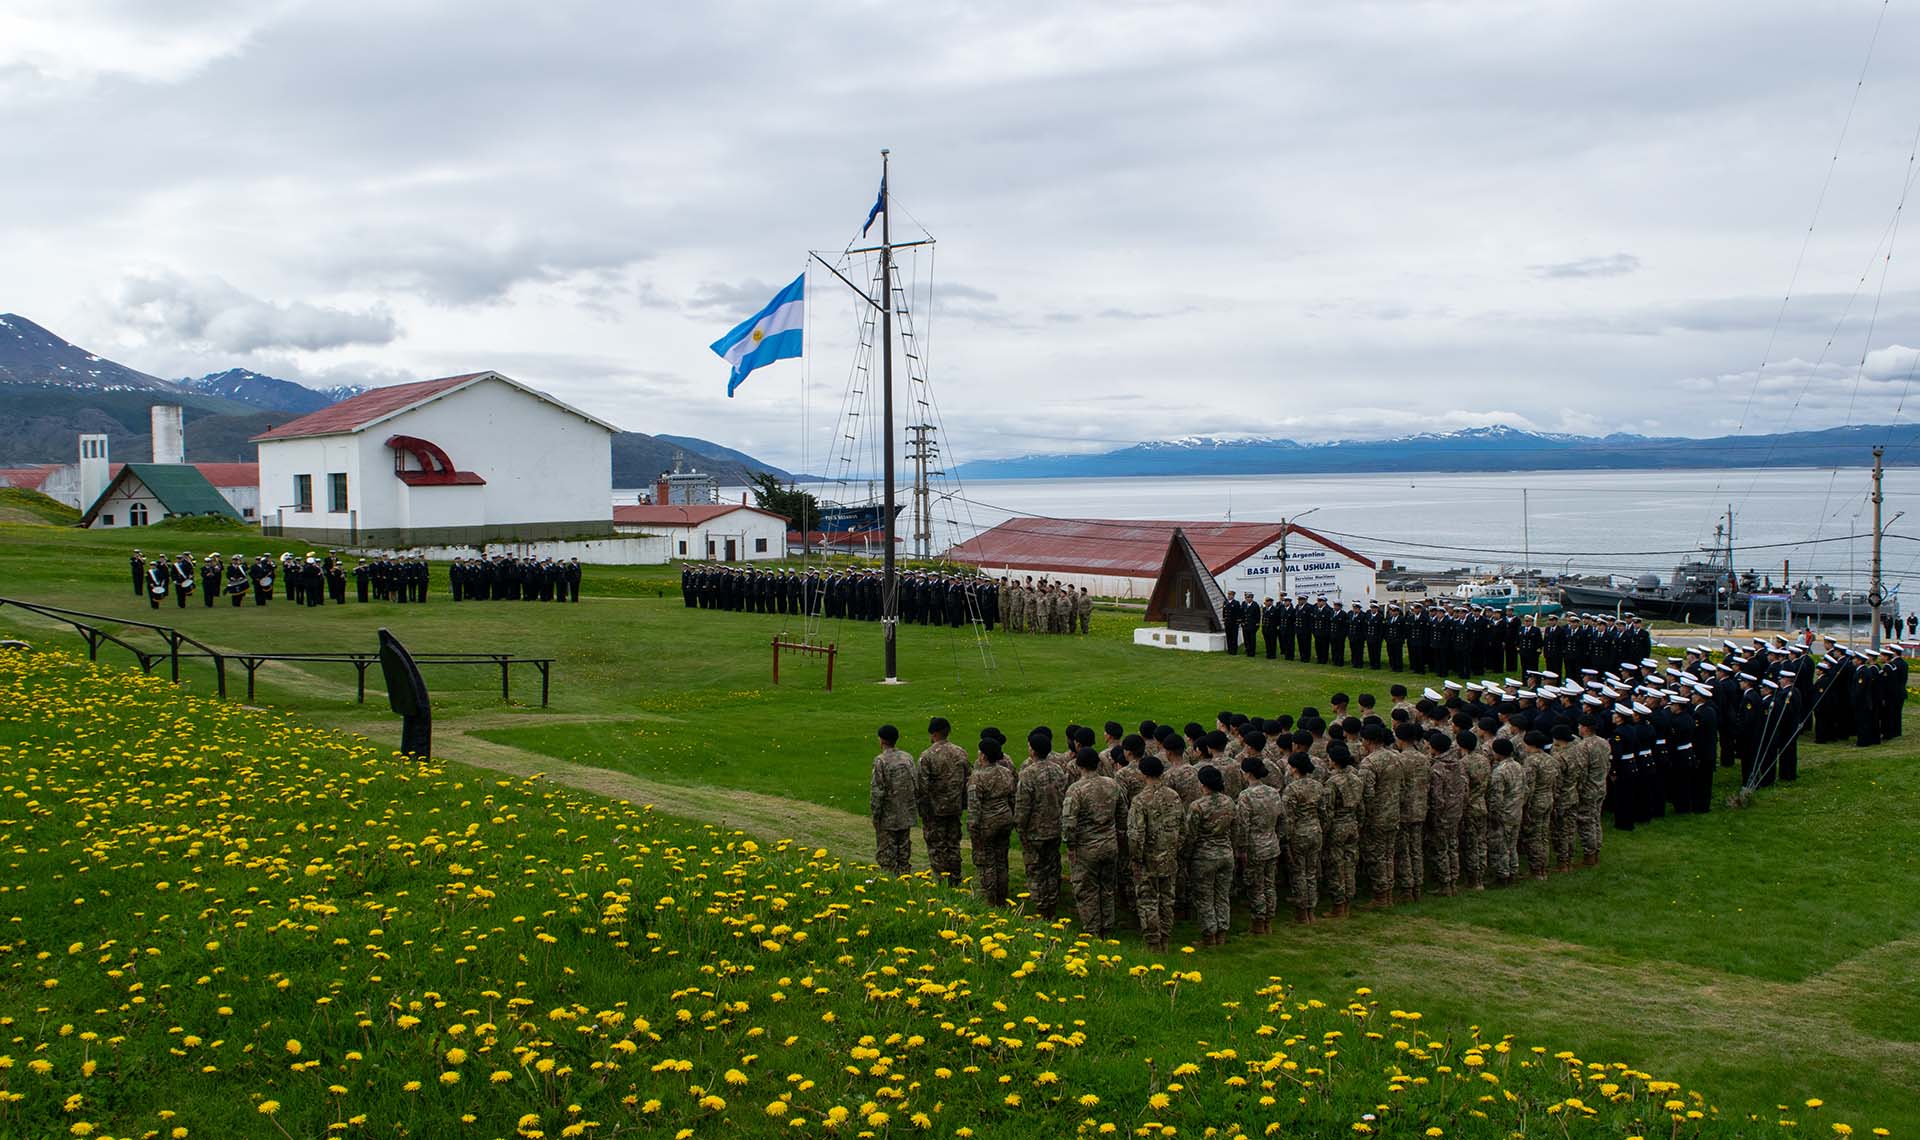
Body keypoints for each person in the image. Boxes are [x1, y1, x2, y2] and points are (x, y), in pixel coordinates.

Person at [1060, 748, 1124, 935]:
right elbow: (1122, 815)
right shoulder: (1112, 784)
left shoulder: (1076, 790)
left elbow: (1068, 823)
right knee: (1107, 888)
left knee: (1087, 890)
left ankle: (1092, 930)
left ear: (1079, 765)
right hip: (1110, 844)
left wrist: (1070, 846)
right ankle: (1107, 927)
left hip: (1086, 848)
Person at [1127, 755, 1183, 953]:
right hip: (1169, 856)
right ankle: (1165, 939)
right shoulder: (1174, 796)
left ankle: (1153, 943)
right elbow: (1181, 826)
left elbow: (1136, 834)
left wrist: (1135, 858)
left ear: (1143, 774)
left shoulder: (1140, 800)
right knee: (1167, 899)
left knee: (1148, 901)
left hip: (1148, 860)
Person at [1014, 730, 1068, 919]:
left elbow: (1023, 806)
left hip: (1035, 831)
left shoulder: (1028, 774)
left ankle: (1041, 907)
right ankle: (1052, 904)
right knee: (1052, 867)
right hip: (1055, 828)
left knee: (1036, 870)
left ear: (1033, 751)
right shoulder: (1058, 769)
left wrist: (1020, 828)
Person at [1183, 764, 1237, 946]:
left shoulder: (1197, 806)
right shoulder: (1229, 802)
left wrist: (1186, 857)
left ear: (1202, 784)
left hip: (1204, 856)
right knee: (1222, 895)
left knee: (1204, 897)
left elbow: (1191, 835)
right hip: (1226, 853)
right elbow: (1236, 828)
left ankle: (1208, 936)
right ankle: (1222, 933)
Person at [915, 717, 971, 888]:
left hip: (935, 810)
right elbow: (968, 780)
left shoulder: (927, 756)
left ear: (934, 733)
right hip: (954, 808)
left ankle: (941, 882)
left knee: (937, 847)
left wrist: (922, 809)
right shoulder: (961, 752)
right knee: (953, 844)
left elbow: (922, 787)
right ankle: (955, 879)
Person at [1231, 756, 1284, 934]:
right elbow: (1281, 817)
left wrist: (1241, 848)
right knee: (1269, 884)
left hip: (1255, 846)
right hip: (1272, 843)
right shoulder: (1273, 792)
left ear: (1248, 774)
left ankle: (1258, 923)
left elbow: (1243, 824)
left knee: (1256, 886)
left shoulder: (1245, 795)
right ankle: (1268, 920)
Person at [967, 736, 1017, 906]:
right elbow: (1012, 798)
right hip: (1005, 819)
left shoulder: (978, 777)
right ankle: (1002, 898)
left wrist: (973, 827)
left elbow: (974, 806)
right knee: (1001, 860)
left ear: (983, 756)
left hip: (987, 823)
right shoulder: (1006, 772)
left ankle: (989, 900)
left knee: (986, 861)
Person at [1357, 723, 1401, 908]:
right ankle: (1388, 893)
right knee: (1388, 855)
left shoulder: (1370, 762)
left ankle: (1380, 896)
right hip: (1393, 812)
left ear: (1368, 741)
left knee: (1376, 857)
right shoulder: (1396, 757)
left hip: (1377, 816)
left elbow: (1365, 794)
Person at [1279, 752, 1324, 923]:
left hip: (1299, 834)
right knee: (1311, 873)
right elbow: (1323, 812)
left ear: (1295, 768)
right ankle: (1311, 909)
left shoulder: (1291, 790)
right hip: (1315, 831)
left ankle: (1302, 911)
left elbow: (1288, 818)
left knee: (1299, 873)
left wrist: (1286, 838)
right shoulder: (1318, 786)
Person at [1321, 742, 1364, 917]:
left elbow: (1328, 810)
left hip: (1337, 826)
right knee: (1350, 864)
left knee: (1336, 866)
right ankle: (1348, 900)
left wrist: (1325, 829)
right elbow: (1361, 806)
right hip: (1353, 823)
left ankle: (1338, 905)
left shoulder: (1332, 782)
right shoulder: (1356, 777)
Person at [869, 725, 917, 875]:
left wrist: (875, 815)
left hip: (888, 817)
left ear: (881, 740)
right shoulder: (907, 757)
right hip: (906, 814)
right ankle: (905, 882)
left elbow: (877, 791)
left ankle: (890, 886)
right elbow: (915, 783)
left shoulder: (880, 761)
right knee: (903, 856)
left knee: (886, 858)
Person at [1427, 730, 1466, 896]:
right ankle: (1454, 881)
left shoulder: (1437, 769)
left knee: (1441, 849)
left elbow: (1437, 797)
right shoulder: (1458, 764)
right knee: (1452, 846)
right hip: (1456, 811)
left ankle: (1445, 884)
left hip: (1442, 814)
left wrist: (1434, 816)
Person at [1518, 730, 1557, 881]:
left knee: (1534, 836)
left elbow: (1529, 786)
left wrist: (1524, 804)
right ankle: (1543, 867)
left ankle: (1536, 870)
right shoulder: (1550, 759)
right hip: (1548, 798)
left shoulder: (1531, 761)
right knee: (1543, 835)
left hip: (1536, 801)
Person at [1487, 737, 1524, 887]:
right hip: (1516, 810)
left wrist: (1493, 815)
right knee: (1512, 845)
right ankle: (1513, 871)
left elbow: (1496, 797)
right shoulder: (1519, 766)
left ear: (1497, 753)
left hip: (1503, 814)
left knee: (1500, 847)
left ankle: (1502, 876)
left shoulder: (1499, 772)